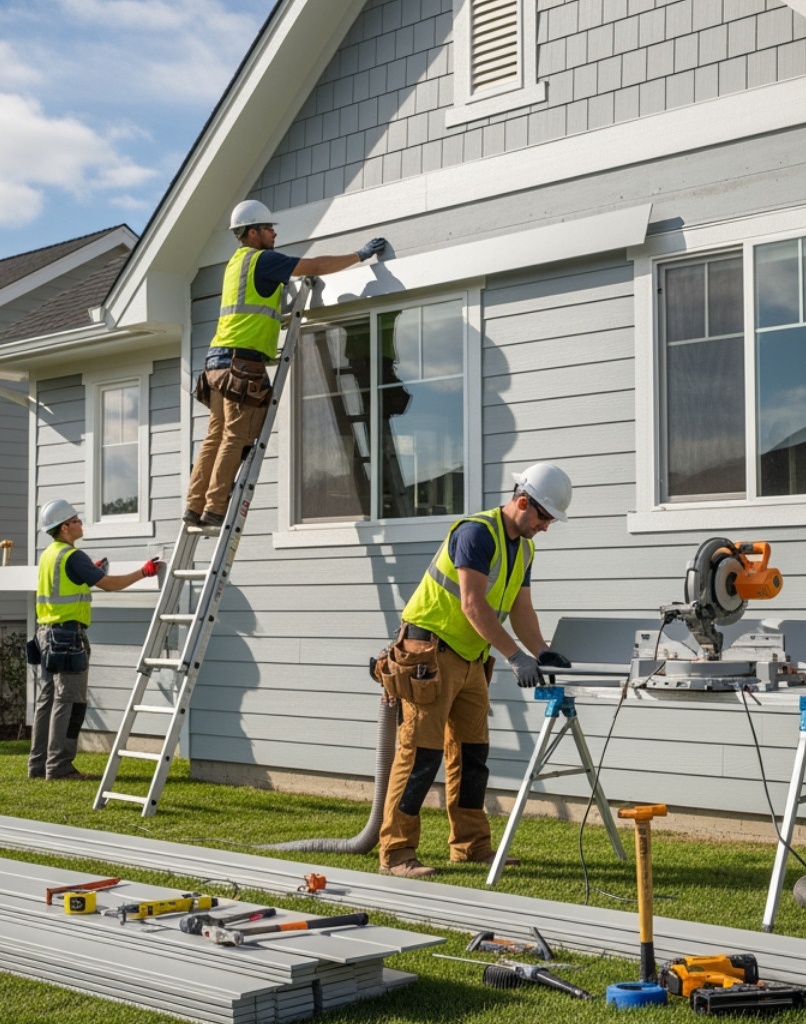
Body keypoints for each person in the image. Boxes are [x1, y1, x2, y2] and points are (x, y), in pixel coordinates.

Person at [377, 463, 575, 878]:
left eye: (551, 520)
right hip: (428, 655)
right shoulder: (476, 533)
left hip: (470, 659)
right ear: (523, 502)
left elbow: (521, 608)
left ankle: (470, 846)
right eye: (543, 517)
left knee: (472, 757)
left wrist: (541, 651)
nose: (545, 527)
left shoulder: (524, 549)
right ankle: (396, 853)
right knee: (420, 757)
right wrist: (514, 656)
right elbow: (472, 604)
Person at [184, 199, 389, 528]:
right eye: (268, 228)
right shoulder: (264, 260)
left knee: (215, 436)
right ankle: (215, 509)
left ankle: (195, 506)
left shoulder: (235, 264)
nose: (274, 233)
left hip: (216, 362)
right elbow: (315, 265)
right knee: (235, 437)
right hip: (241, 363)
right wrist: (359, 256)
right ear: (252, 232)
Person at [30, 498, 162, 781]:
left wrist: (92, 570)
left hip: (45, 634)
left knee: (47, 700)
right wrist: (143, 572)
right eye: (76, 521)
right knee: (70, 702)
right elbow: (110, 585)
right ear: (64, 527)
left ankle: (38, 766)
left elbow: (68, 581)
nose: (81, 524)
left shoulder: (50, 554)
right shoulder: (72, 556)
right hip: (66, 637)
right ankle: (59, 767)